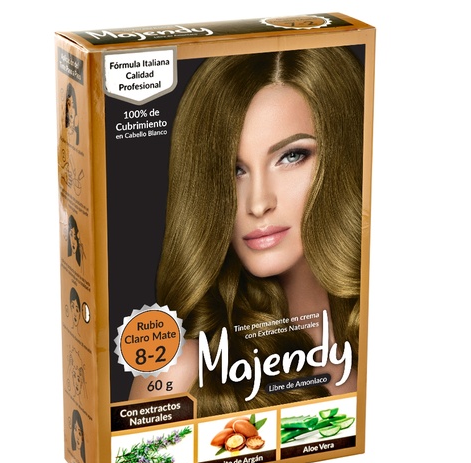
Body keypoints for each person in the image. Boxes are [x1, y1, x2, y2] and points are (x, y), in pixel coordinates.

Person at [130, 47, 364, 417]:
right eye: (235, 170)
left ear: (346, 159)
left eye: (291, 156)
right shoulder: (182, 372)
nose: (258, 203)